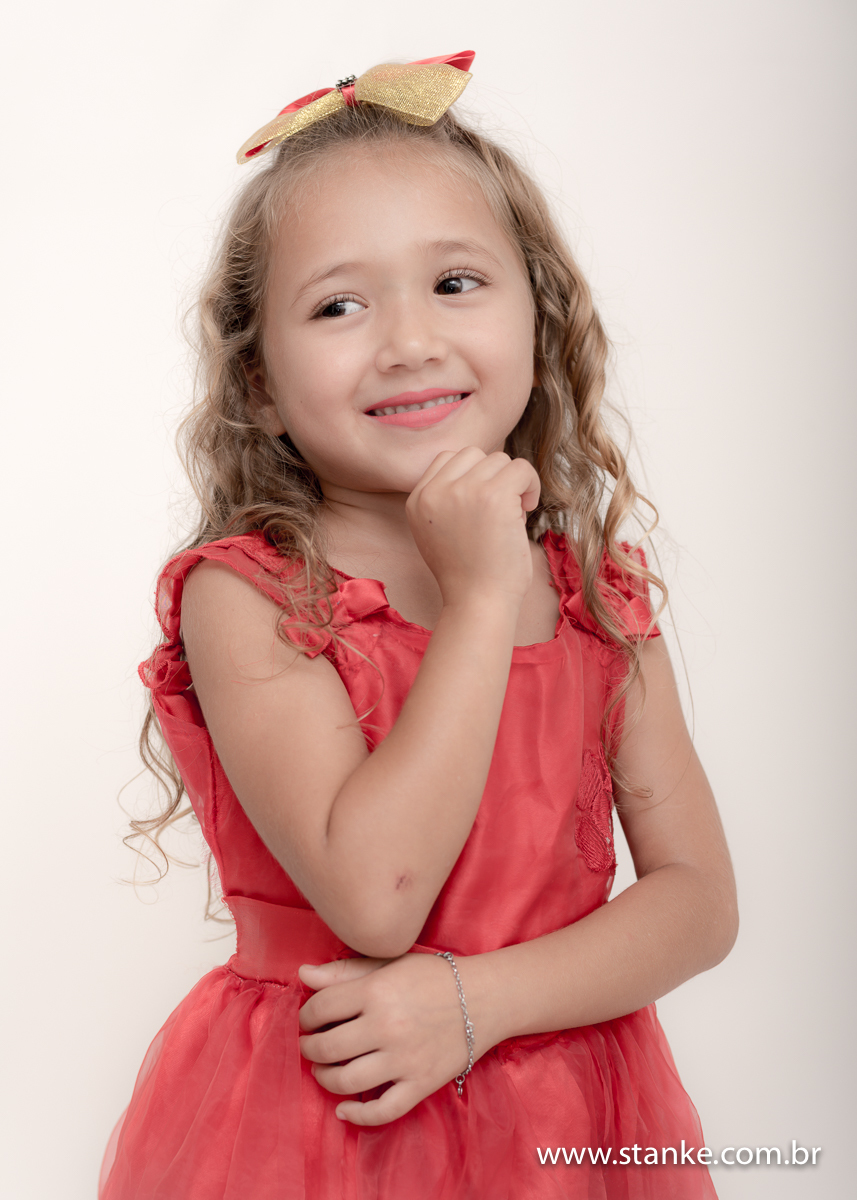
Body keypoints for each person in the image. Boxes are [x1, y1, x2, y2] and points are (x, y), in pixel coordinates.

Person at [99, 51, 737, 1200]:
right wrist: (485, 595)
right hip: (320, 1127)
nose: (406, 340)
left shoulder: (597, 588)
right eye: (339, 304)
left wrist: (477, 1007)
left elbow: (697, 899)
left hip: (567, 1128)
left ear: (536, 319)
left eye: (454, 283)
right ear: (255, 383)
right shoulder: (248, 595)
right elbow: (377, 897)